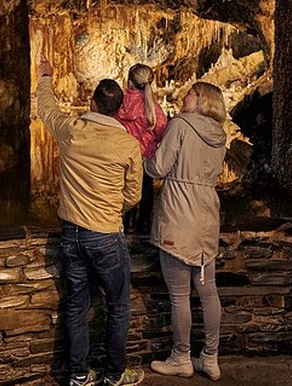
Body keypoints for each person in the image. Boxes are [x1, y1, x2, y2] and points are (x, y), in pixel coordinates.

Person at [34, 55, 145, 386]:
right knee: (118, 307)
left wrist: (45, 77)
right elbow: (134, 195)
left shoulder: (72, 130)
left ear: (92, 102)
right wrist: (111, 209)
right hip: (107, 234)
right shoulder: (127, 144)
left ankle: (79, 375)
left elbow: (47, 109)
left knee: (76, 307)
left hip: (72, 235)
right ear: (118, 110)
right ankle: (113, 374)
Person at [145, 82, 228, 382]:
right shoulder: (219, 134)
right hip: (207, 218)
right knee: (208, 292)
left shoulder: (180, 125)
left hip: (180, 216)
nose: (183, 96)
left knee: (180, 295)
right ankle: (211, 358)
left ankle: (181, 357)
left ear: (202, 99)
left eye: (190, 93)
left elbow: (158, 168)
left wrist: (142, 157)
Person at [115, 64, 168, 234]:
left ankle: (124, 223)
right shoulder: (153, 109)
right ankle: (144, 224)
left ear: (129, 82)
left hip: (122, 156)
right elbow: (162, 132)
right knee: (146, 189)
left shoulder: (119, 104)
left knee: (124, 189)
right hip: (144, 158)